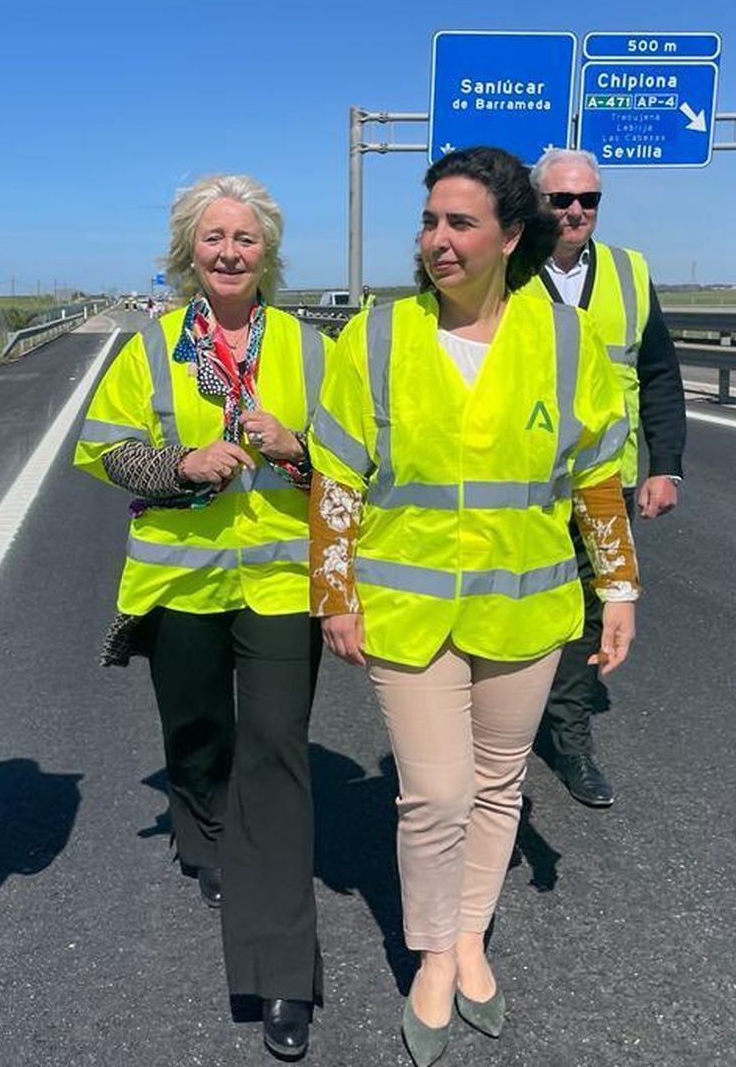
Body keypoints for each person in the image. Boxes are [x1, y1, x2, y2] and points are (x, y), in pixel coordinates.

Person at [307, 146, 640, 1067]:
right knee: (435, 794)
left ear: (510, 235)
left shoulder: (564, 340)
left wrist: (619, 586)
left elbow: (597, 479)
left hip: (527, 611)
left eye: (459, 224)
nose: (436, 241)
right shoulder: (376, 335)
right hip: (407, 611)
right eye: (428, 222)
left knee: (498, 787)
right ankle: (429, 952)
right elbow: (336, 475)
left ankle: (465, 941)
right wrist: (334, 591)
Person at [72, 174, 329, 1060]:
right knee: (197, 735)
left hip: (284, 587)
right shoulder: (150, 348)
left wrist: (299, 453)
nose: (228, 252)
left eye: (245, 239)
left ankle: (281, 973)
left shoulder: (312, 348)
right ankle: (200, 823)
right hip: (181, 586)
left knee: (277, 755)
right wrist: (181, 464)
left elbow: (363, 460)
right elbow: (103, 450)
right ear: (189, 252)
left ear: (268, 254)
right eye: (213, 238)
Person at [529, 147, 686, 808]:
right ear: (535, 204)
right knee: (523, 600)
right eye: (560, 200)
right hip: (523, 482)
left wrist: (666, 464)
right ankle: (508, 712)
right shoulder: (502, 273)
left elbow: (657, 372)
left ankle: (569, 737)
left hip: (605, 481)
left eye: (587, 200)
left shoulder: (628, 273)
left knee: (594, 609)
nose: (574, 211)